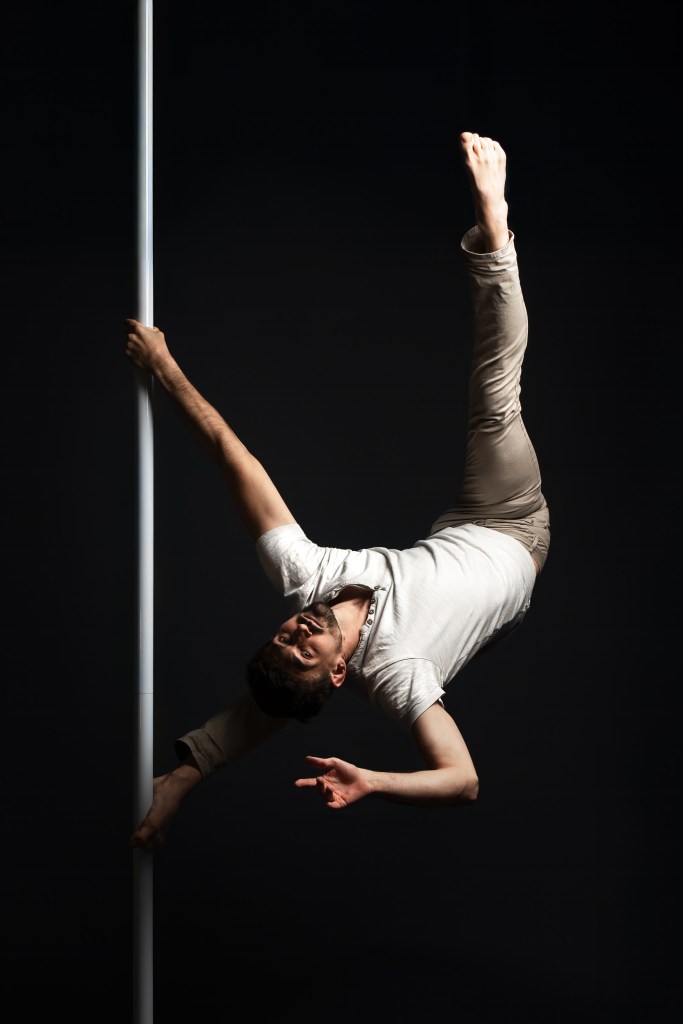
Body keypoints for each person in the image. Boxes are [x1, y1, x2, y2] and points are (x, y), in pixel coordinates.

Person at [125, 130, 550, 851]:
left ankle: (188, 771)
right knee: (493, 402)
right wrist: (374, 781)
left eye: (283, 636)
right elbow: (462, 780)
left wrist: (163, 368)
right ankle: (494, 236)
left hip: (460, 524)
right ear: (342, 672)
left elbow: (232, 456)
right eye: (304, 651)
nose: (295, 633)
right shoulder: (396, 673)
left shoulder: (307, 579)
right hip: (515, 524)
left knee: (275, 696)